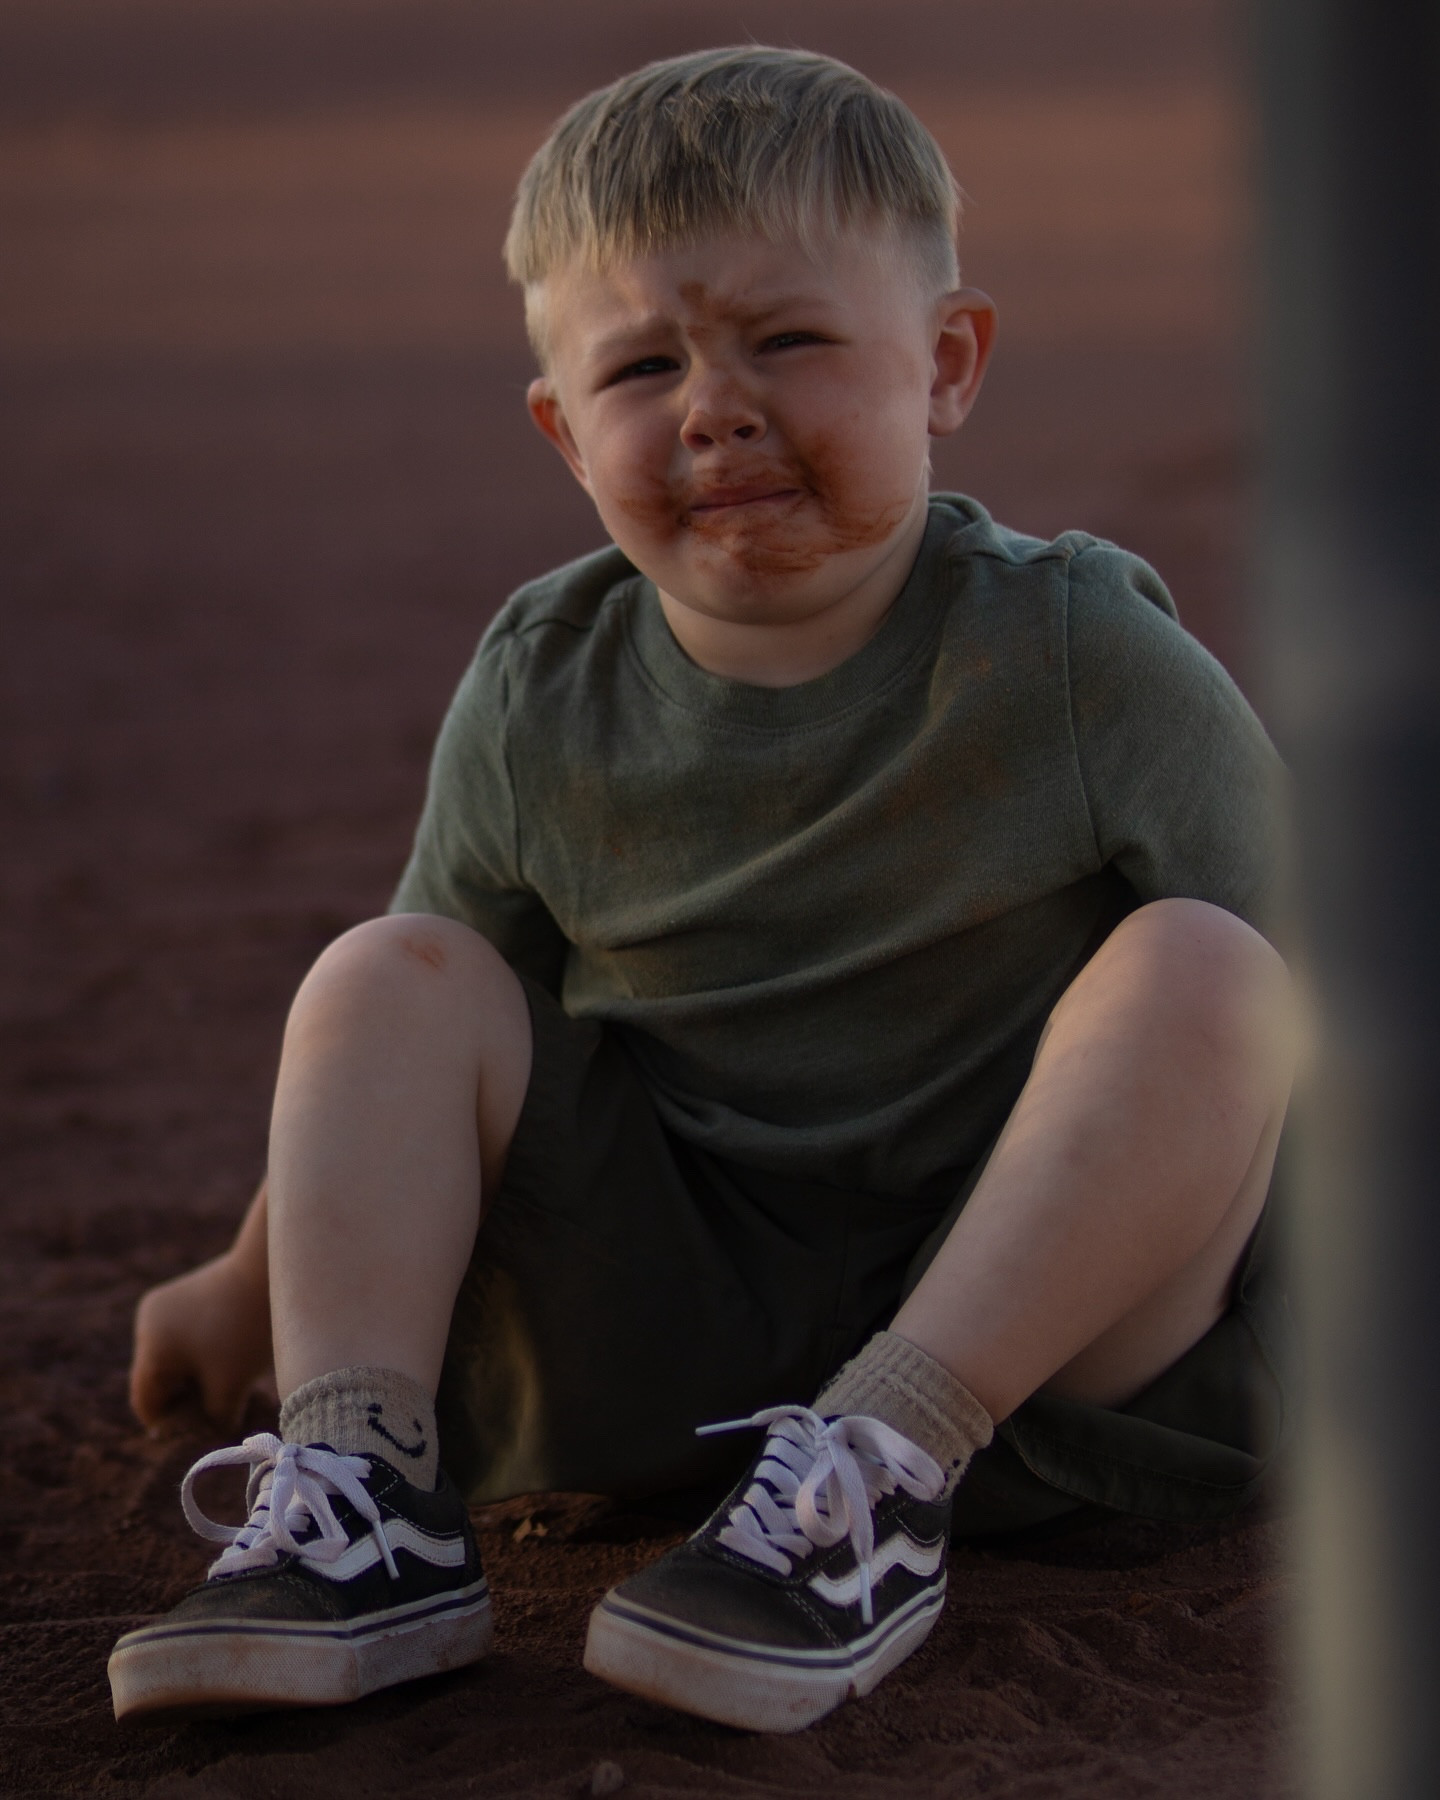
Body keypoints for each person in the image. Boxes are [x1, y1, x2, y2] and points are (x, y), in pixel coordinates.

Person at [107, 46, 1296, 1735]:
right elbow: (429, 1039)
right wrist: (252, 1279)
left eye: (788, 340)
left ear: (947, 363)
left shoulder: (1082, 656)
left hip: (1035, 1346)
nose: (714, 406)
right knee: (389, 969)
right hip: (669, 1344)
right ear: (562, 431)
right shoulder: (542, 682)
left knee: (1220, 971)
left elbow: (1342, 999)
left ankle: (875, 1477)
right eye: (642, 364)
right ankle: (362, 1498)